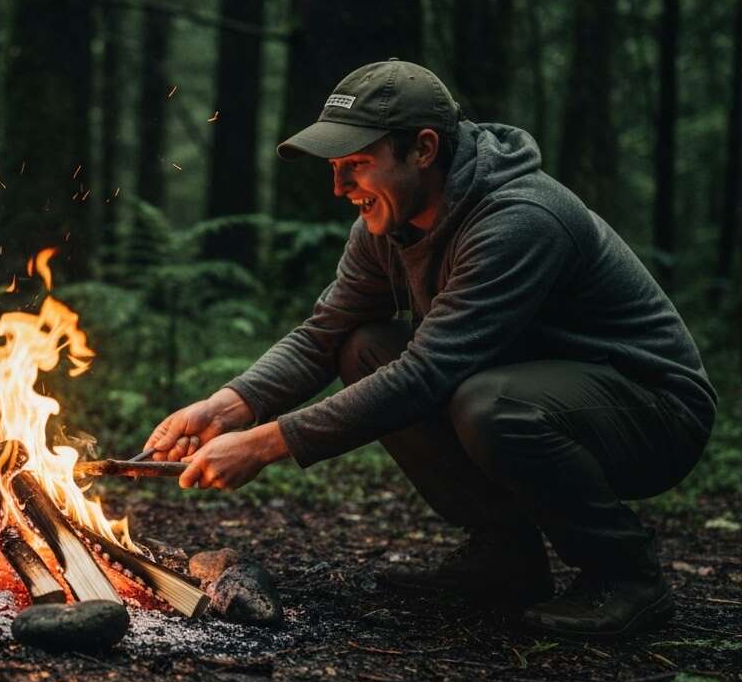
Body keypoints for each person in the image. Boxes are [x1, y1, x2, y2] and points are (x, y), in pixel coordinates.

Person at [144, 59, 717, 640]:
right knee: (364, 347)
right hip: (537, 385)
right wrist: (229, 404)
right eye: (336, 168)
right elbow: (324, 333)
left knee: (490, 404)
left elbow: (428, 373)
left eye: (357, 166)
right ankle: (503, 556)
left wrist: (269, 443)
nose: (339, 188)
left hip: (652, 410)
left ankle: (627, 575)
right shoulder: (388, 223)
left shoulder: (520, 218)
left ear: (423, 148)